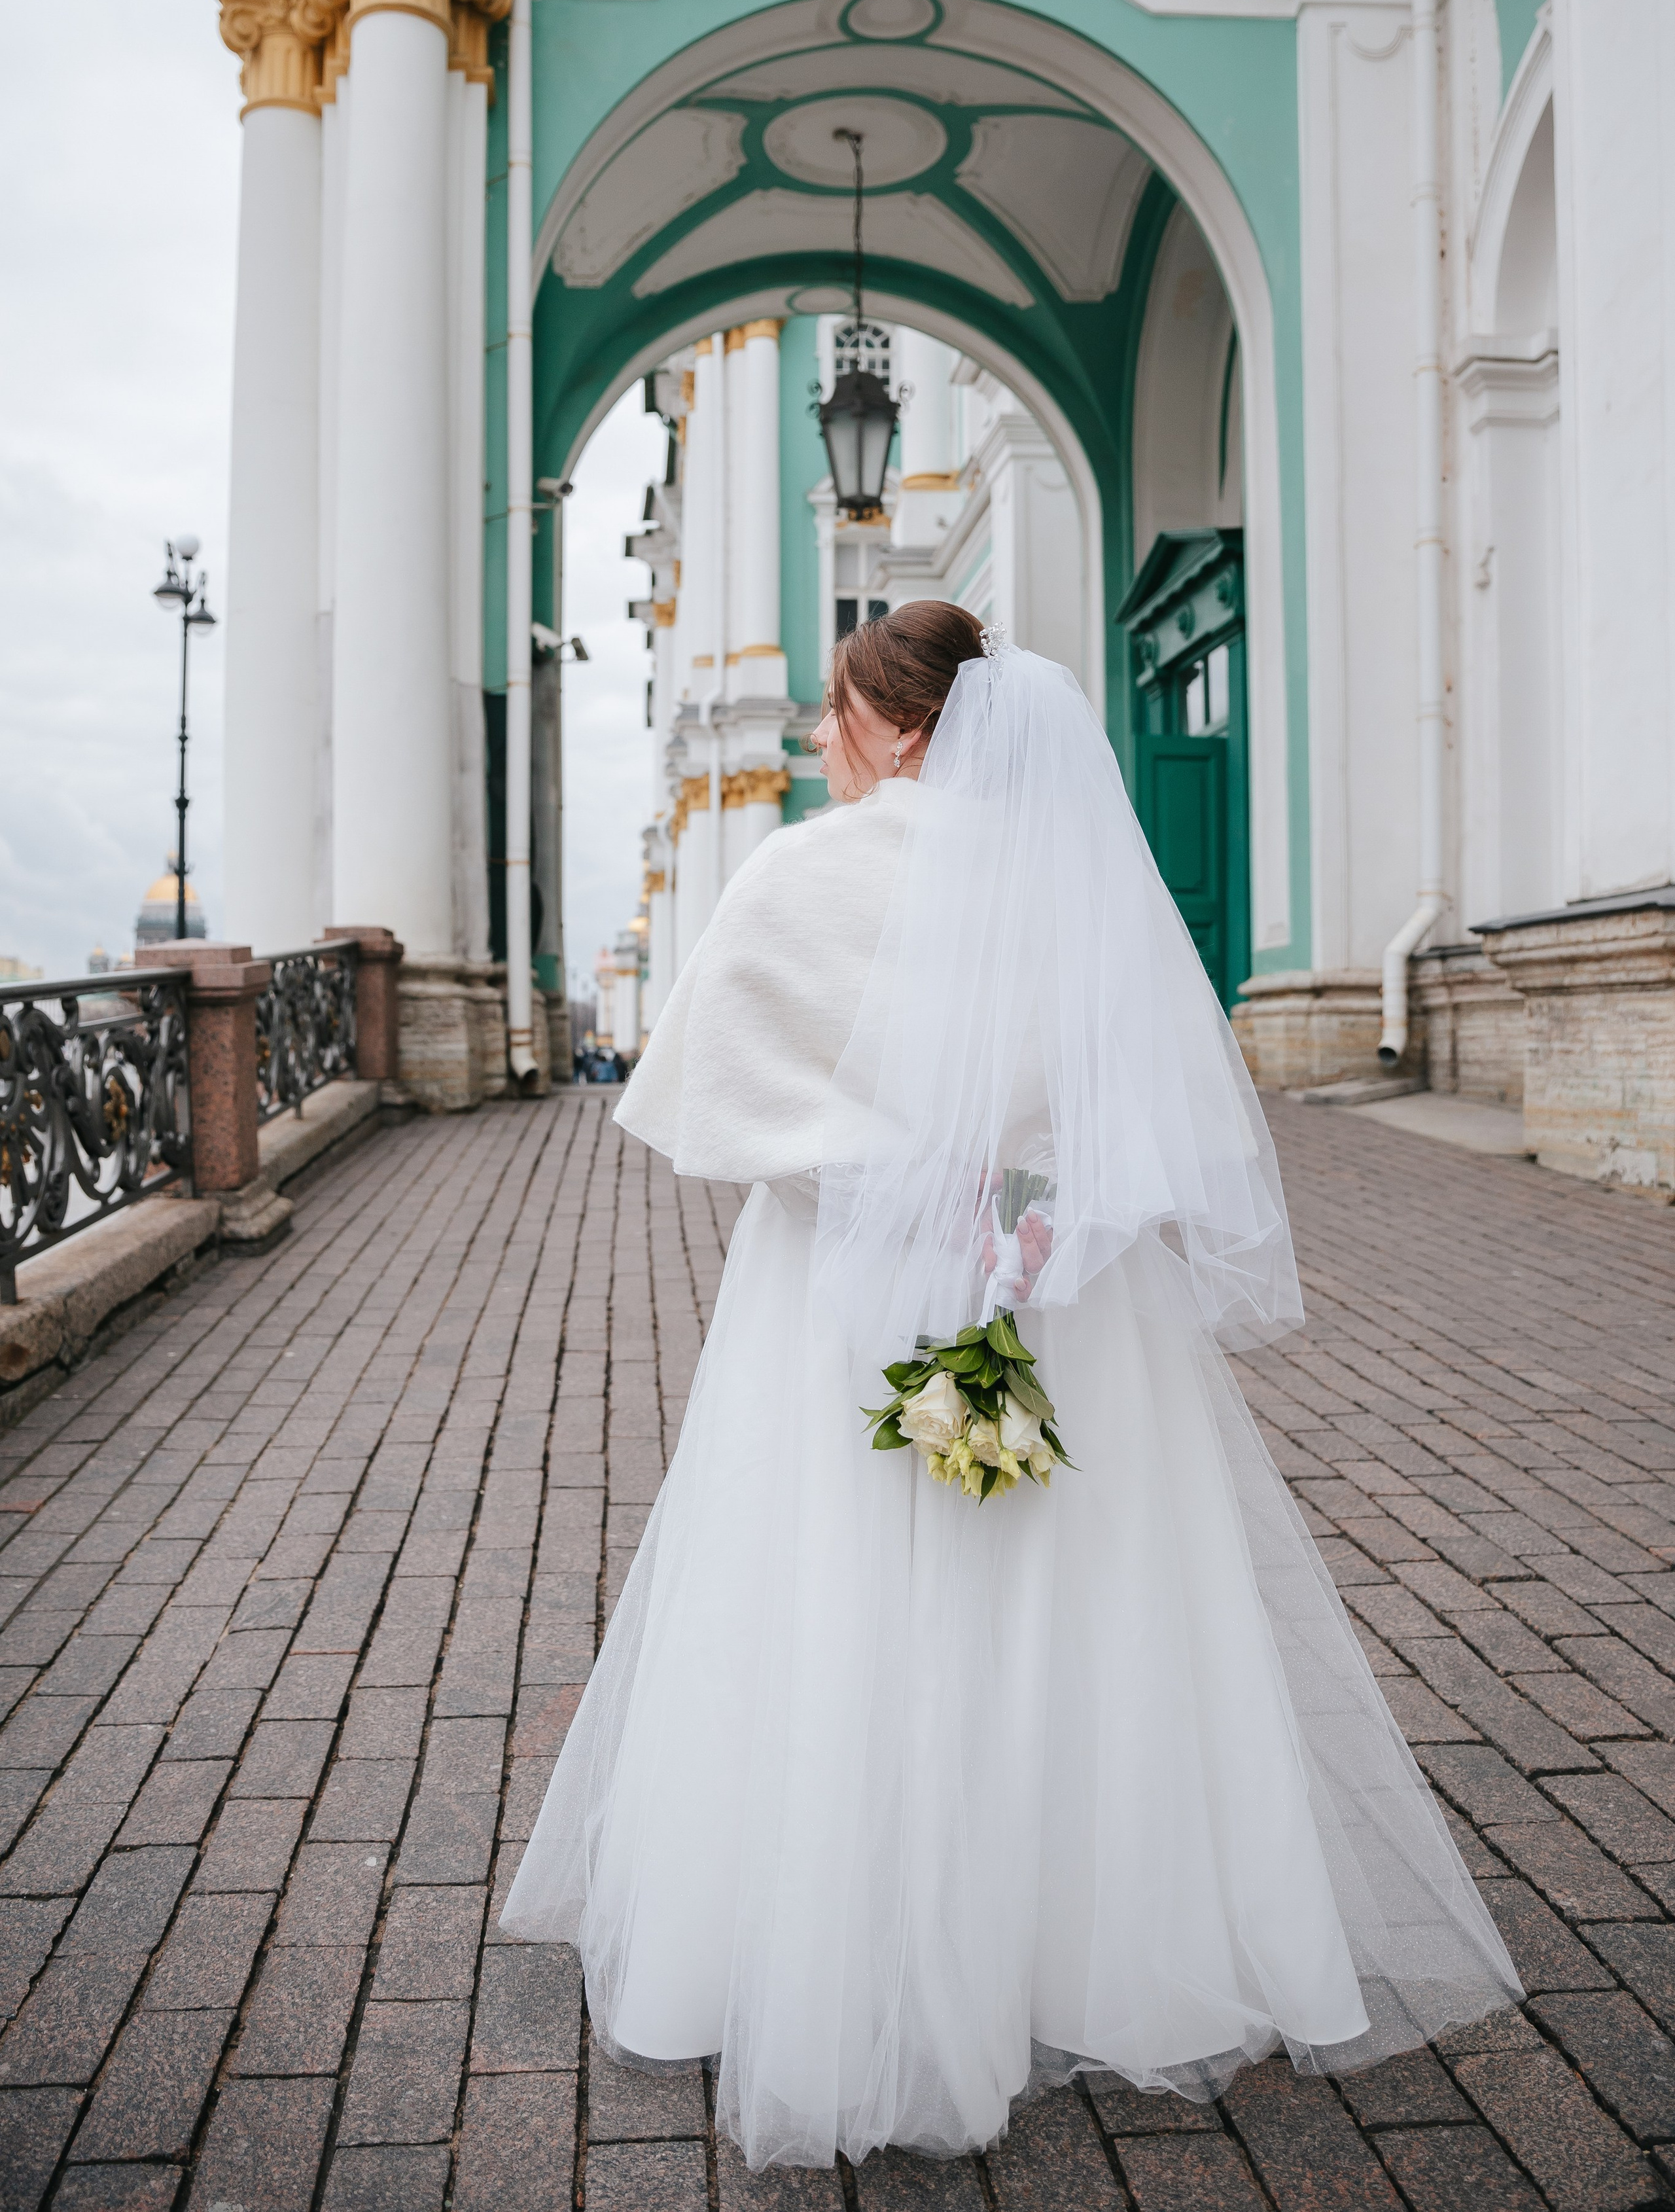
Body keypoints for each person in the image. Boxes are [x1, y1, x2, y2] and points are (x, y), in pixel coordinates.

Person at [502, 601, 1519, 2172]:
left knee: (841, 1592)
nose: (819, 741)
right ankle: (1093, 1934)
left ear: (894, 727)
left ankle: (837, 1951)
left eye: (834, 715)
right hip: (1056, 1299)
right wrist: (1014, 1216)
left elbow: (714, 1103)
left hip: (836, 1304)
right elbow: (1144, 1118)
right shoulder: (1076, 887)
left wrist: (881, 1187)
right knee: (1086, 1599)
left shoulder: (796, 873)